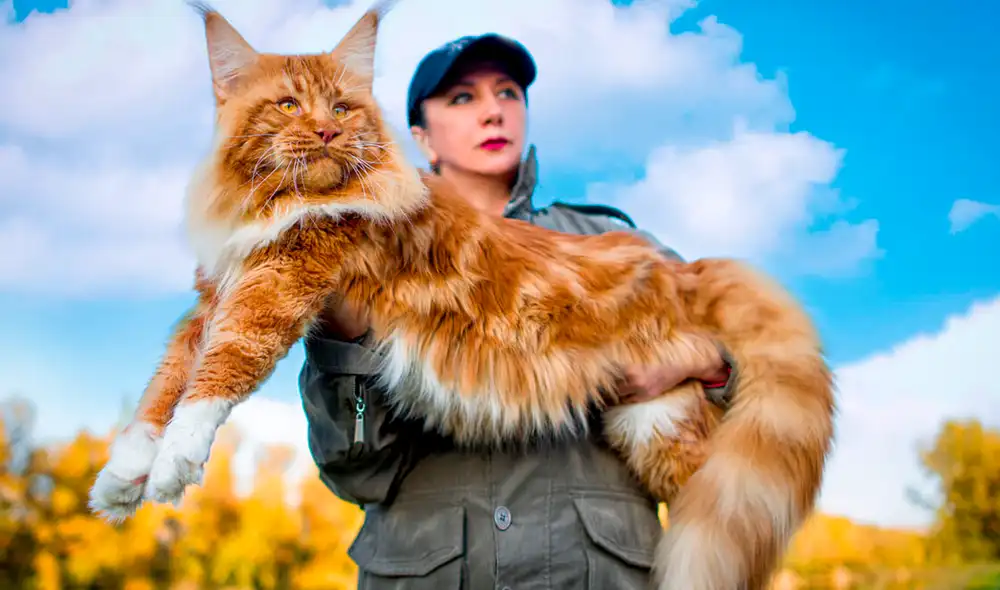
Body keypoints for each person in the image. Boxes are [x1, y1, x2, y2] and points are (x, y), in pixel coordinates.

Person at [298, 33, 736, 589]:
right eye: (462, 98)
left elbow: (758, 371)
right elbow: (355, 472)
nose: (493, 111)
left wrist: (697, 363)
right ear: (422, 138)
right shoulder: (373, 251)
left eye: (508, 93)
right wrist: (346, 344)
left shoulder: (612, 239)